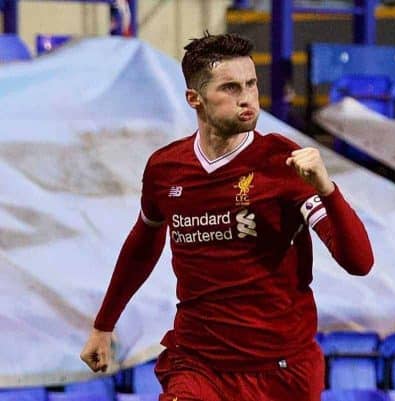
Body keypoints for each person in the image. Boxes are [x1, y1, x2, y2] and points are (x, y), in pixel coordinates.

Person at [80, 32, 374, 401]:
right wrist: (103, 325)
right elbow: (143, 243)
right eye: (231, 88)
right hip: (198, 365)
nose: (247, 98)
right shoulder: (166, 169)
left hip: (280, 371)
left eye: (251, 84)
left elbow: (359, 262)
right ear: (195, 99)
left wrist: (327, 189)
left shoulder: (282, 163)